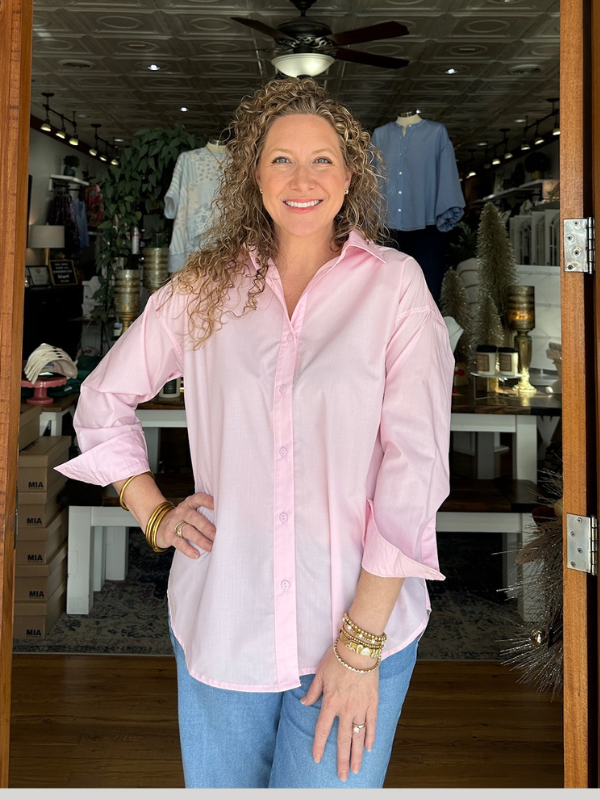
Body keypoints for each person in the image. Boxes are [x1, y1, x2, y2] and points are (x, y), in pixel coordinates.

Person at [56, 76, 455, 789]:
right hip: (224, 626)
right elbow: (102, 398)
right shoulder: (202, 289)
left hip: (356, 632)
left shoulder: (395, 289)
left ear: (351, 174)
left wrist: (361, 647)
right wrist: (150, 510)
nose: (302, 179)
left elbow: (413, 472)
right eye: (280, 159)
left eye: (322, 159)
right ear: (252, 175)